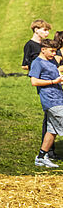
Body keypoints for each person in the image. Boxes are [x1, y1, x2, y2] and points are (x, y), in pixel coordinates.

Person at [29, 40, 63, 168]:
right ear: (43, 49)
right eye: (52, 51)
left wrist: (59, 81)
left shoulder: (52, 61)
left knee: (52, 130)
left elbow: (56, 78)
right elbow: (34, 81)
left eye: (55, 51)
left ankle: (41, 157)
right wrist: (54, 81)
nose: (54, 54)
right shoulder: (37, 63)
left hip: (59, 98)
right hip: (51, 101)